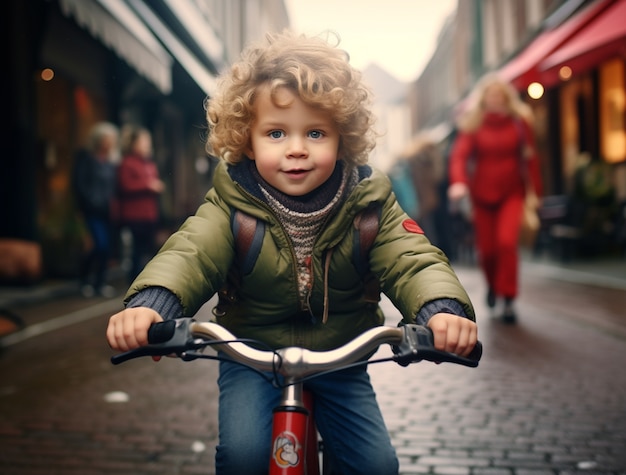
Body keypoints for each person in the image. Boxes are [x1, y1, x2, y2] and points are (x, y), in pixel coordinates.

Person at [106, 31, 478, 475]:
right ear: (248, 139)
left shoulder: (368, 203)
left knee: (375, 464)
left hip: (341, 355)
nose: (297, 148)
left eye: (316, 132)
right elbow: (191, 252)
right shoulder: (231, 204)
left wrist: (440, 309)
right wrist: (153, 304)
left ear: (342, 138)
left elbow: (410, 256)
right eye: (276, 132)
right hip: (250, 353)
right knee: (243, 455)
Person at [448, 73, 543, 324]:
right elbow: (459, 156)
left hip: (512, 193)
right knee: (488, 252)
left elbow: (530, 158)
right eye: (490, 96)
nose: (495, 100)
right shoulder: (475, 124)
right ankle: (492, 286)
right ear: (483, 100)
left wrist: (537, 192)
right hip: (482, 197)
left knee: (506, 243)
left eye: (500, 96)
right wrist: (459, 182)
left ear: (507, 98)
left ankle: (509, 298)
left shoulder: (520, 123)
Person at [72, 121, 119, 298]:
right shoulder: (87, 159)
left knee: (106, 248)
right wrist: (88, 203)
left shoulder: (111, 161)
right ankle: (84, 280)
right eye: (107, 139)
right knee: (98, 245)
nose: (109, 142)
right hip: (91, 211)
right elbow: (80, 185)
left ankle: (99, 283)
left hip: (107, 211)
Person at [116, 125, 165, 283]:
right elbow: (125, 185)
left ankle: (147, 278)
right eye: (143, 141)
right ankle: (134, 281)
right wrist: (148, 185)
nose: (146, 144)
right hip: (134, 214)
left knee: (149, 248)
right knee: (137, 250)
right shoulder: (128, 163)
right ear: (134, 144)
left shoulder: (149, 163)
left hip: (149, 213)